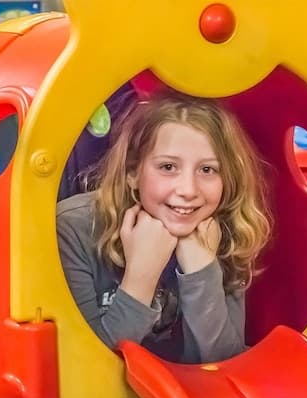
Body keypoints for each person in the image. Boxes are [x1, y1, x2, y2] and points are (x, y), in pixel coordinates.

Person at [56, 90, 272, 364]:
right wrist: (140, 278)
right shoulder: (74, 230)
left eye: (207, 170)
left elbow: (224, 364)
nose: (188, 190)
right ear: (133, 172)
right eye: (168, 167)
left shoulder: (221, 229)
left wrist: (202, 270)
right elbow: (85, 367)